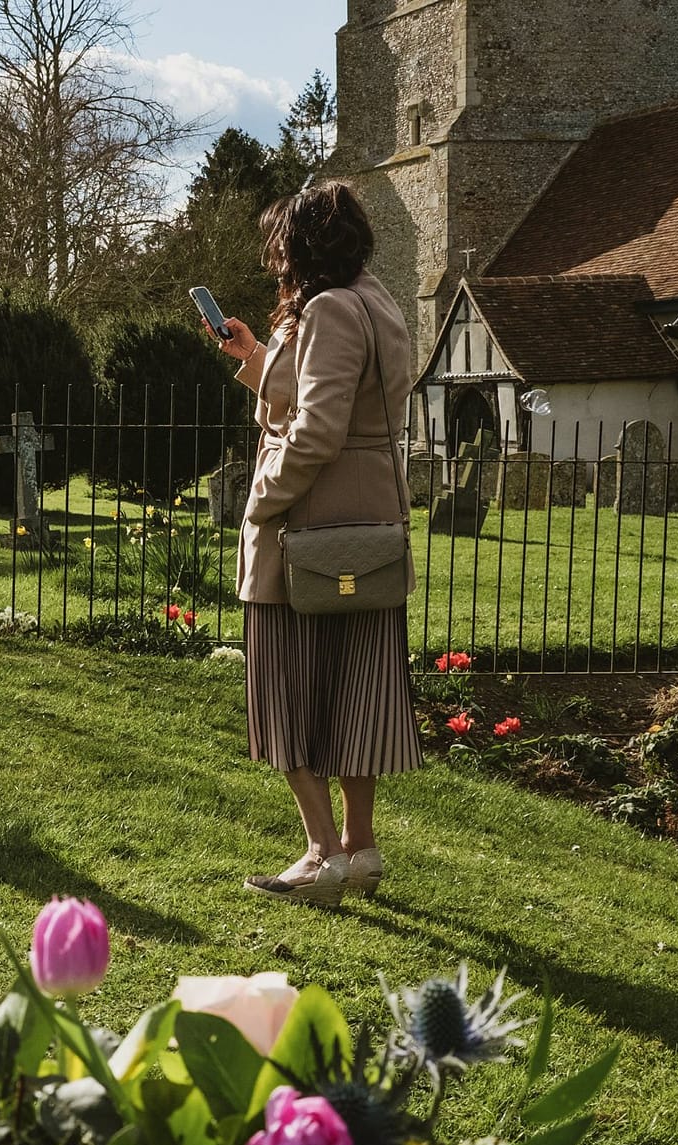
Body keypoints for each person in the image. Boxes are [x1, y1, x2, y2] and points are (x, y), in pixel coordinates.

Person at [207, 180, 423, 905]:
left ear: (300, 246)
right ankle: (358, 849)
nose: (275, 262)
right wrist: (260, 355)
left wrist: (262, 500)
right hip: (368, 525)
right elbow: (336, 398)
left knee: (285, 693)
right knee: (356, 692)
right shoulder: (376, 301)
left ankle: (319, 853)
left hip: (309, 528)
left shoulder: (328, 308)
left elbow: (319, 427)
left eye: (280, 246)